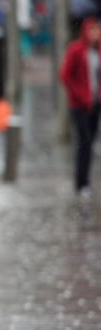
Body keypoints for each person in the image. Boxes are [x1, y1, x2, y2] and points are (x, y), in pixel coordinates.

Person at [60, 17, 101, 198]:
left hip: (95, 103)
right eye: (92, 30)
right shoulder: (76, 49)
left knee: (90, 142)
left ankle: (86, 180)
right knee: (84, 141)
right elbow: (65, 75)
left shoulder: (98, 51)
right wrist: (79, 94)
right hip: (79, 105)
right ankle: (81, 181)